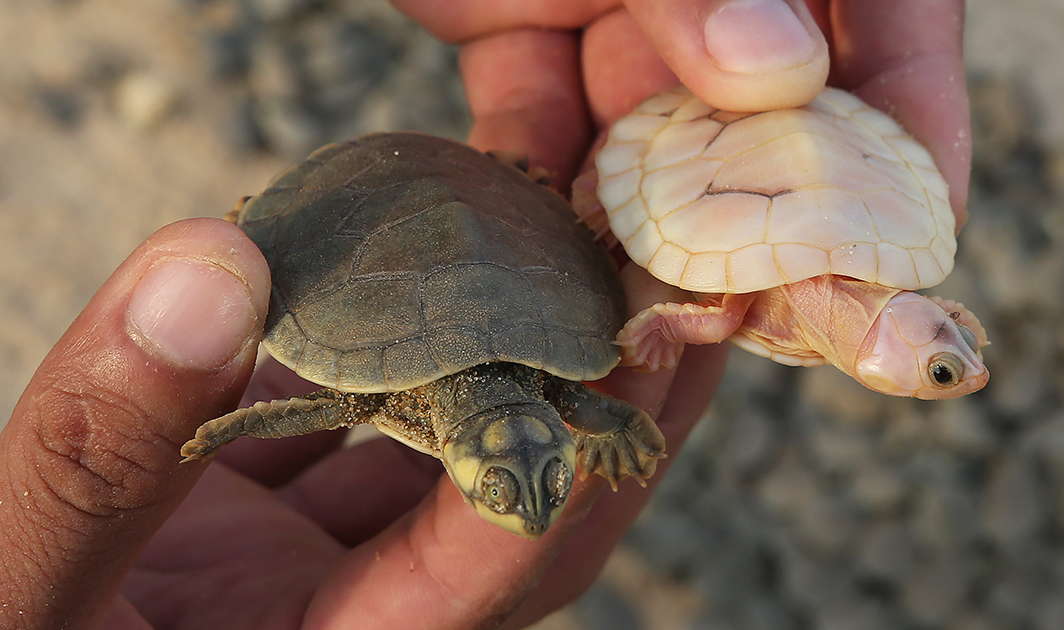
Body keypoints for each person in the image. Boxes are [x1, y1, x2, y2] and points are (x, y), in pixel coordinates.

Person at [0, 1, 971, 628]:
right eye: (528, 485)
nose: (532, 504)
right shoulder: (550, 384)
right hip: (386, 202)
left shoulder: (476, 397)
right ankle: (282, 210)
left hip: (474, 213)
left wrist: (612, 419)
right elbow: (308, 410)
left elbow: (326, 405)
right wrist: (619, 414)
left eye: (518, 482)